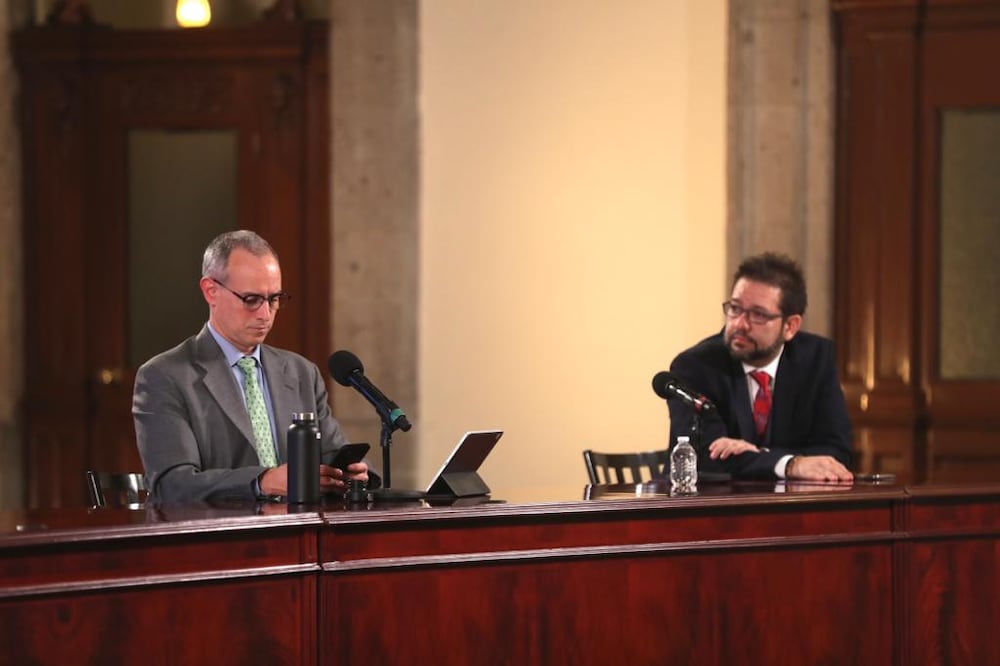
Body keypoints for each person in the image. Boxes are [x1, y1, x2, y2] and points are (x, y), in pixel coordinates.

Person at [133, 230, 374, 503]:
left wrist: (351, 474)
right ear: (211, 291)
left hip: (299, 533)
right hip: (219, 538)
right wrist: (262, 482)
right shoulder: (165, 376)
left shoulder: (301, 372)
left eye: (274, 299)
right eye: (251, 300)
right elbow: (173, 485)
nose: (265, 314)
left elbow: (333, 453)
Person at [667, 252, 853, 482]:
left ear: (790, 326)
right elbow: (702, 456)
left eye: (758, 315)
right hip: (718, 510)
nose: (739, 324)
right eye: (735, 308)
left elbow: (836, 452)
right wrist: (789, 464)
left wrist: (764, 457)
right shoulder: (695, 367)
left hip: (793, 507)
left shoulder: (815, 359)